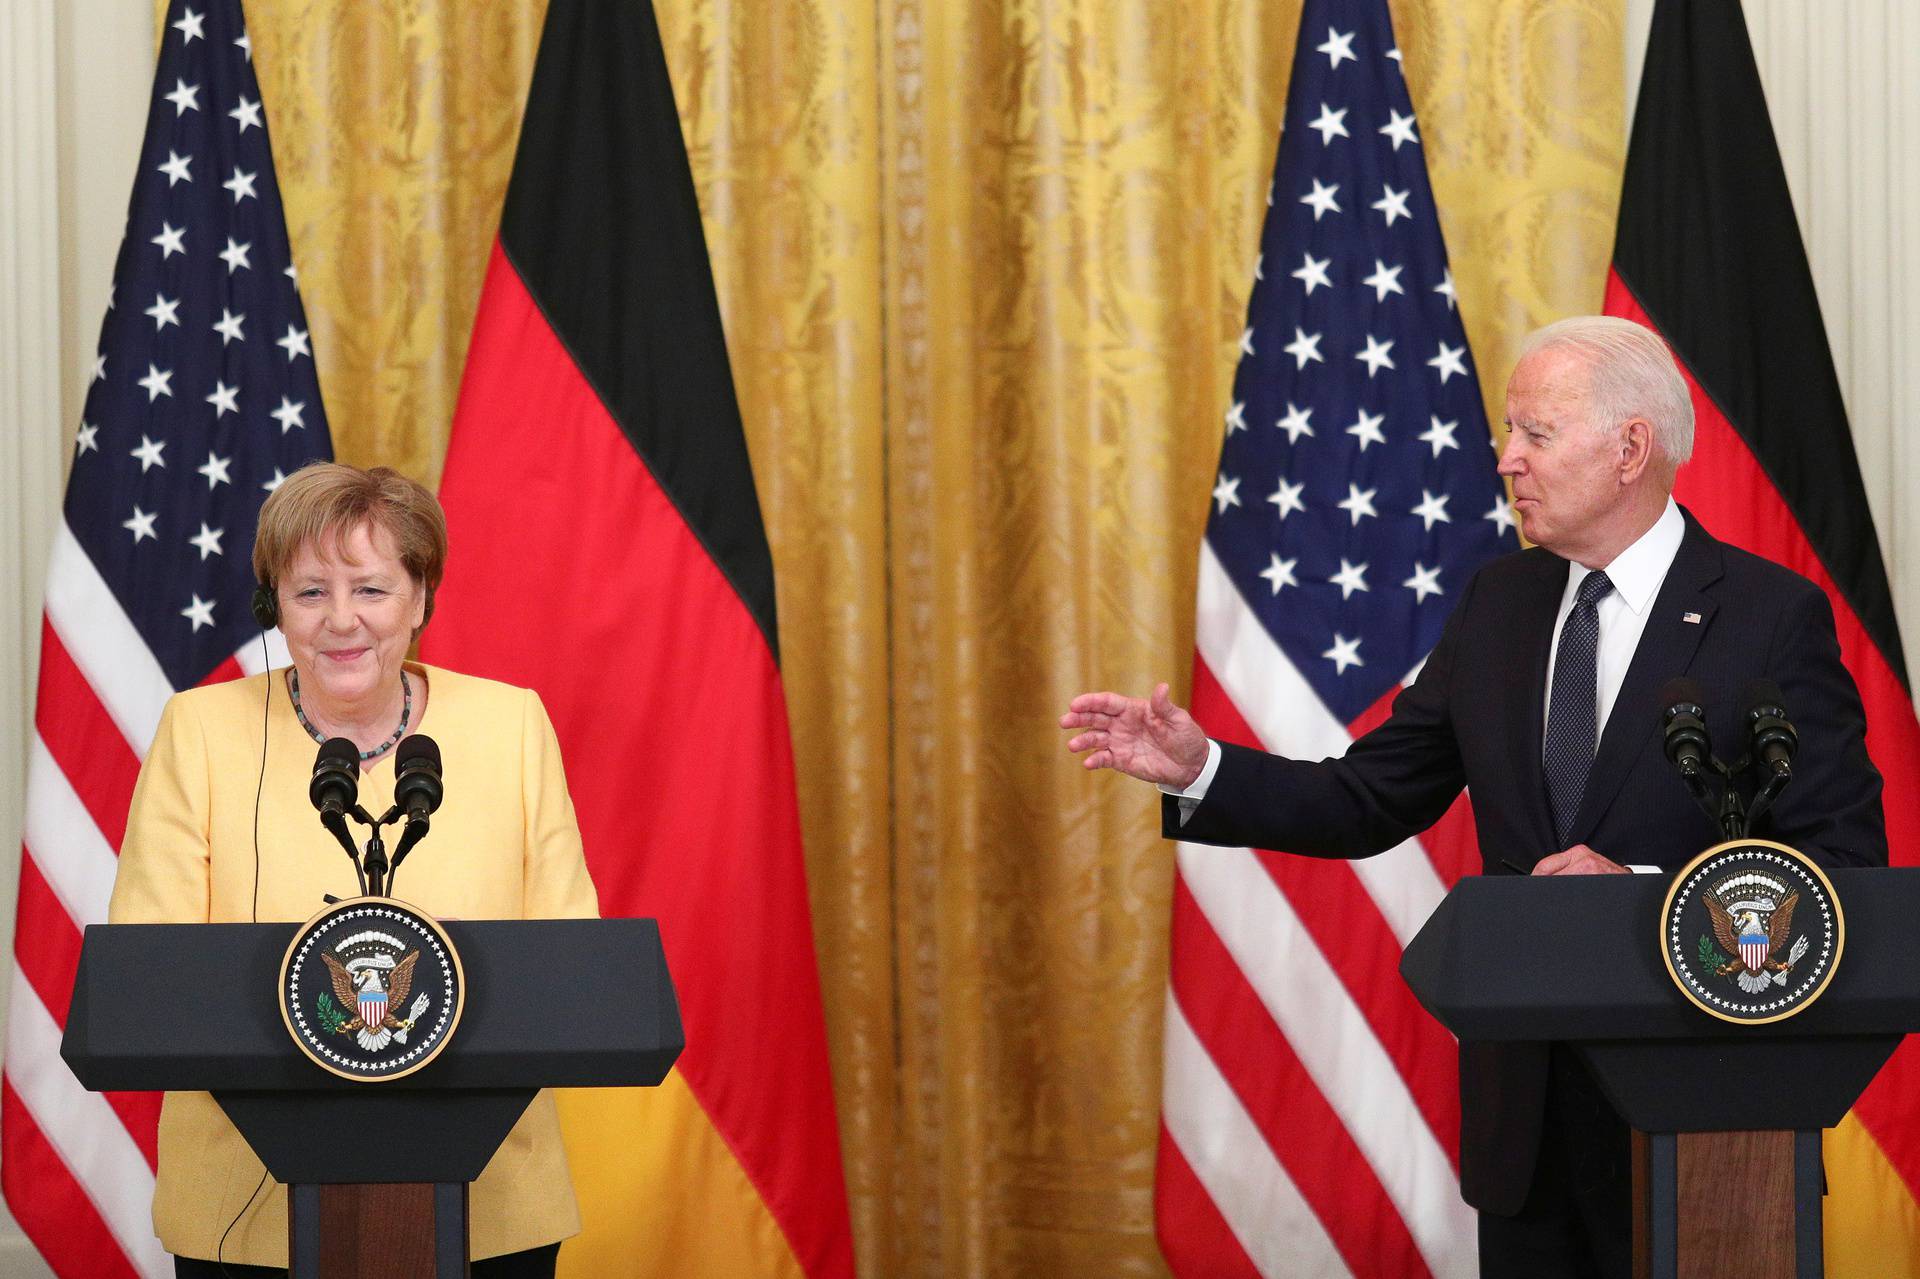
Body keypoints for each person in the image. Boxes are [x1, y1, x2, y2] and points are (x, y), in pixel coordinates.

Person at [1061, 316, 1886, 1277]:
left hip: (1703, 1123)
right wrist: (1203, 766)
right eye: (1509, 432)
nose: (1507, 460)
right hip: (1526, 1131)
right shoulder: (1501, 603)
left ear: (1630, 448)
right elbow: (1367, 798)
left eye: (1535, 433)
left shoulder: (1770, 616)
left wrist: (1645, 892)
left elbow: (1841, 868)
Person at [109, 462, 600, 1278]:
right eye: (310, 593)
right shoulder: (199, 730)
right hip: (247, 1202)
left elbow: (567, 965)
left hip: (490, 1198)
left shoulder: (511, 725)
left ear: (420, 598)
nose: (342, 621)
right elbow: (151, 966)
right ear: (274, 607)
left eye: (371, 589)